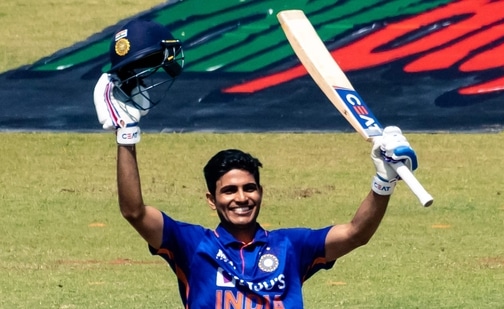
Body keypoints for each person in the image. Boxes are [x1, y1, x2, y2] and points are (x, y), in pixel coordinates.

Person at [93, 19, 419, 308]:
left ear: (261, 192)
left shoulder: (291, 246)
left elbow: (355, 234)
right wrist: (127, 136)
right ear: (211, 199)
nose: (241, 198)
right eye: (229, 191)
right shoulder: (191, 246)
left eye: (249, 188)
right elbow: (134, 211)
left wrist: (383, 180)